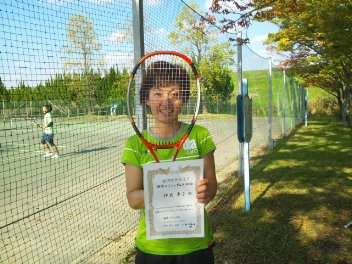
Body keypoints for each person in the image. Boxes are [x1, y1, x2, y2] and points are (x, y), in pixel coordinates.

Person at [121, 61, 217, 264]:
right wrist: (168, 191)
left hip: (196, 245)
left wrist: (205, 191)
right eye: (157, 93)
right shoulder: (135, 145)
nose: (166, 101)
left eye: (175, 94)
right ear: (146, 99)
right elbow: (134, 199)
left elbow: (212, 187)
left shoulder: (200, 136)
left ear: (184, 99)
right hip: (153, 248)